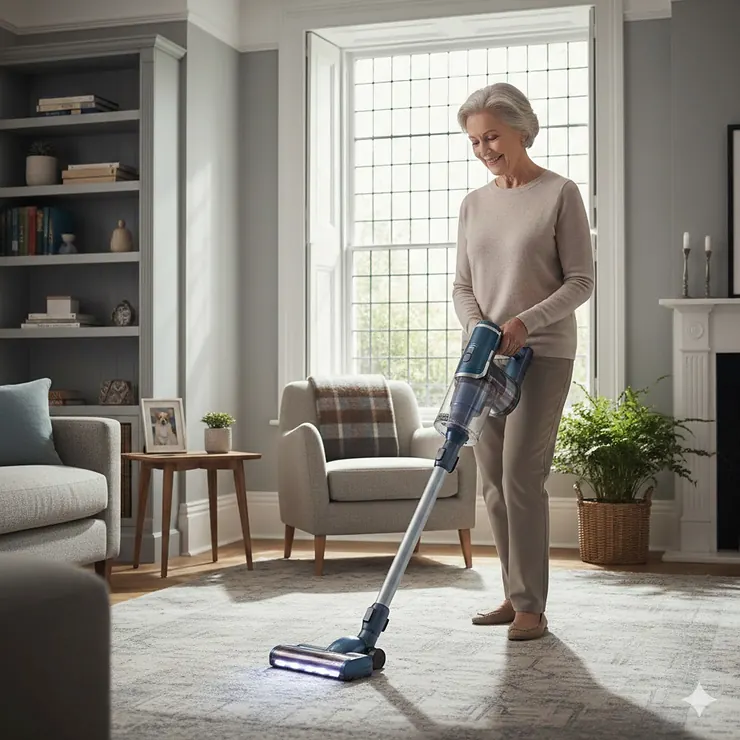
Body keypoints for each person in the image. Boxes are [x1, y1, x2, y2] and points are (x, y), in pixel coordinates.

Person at [452, 83, 594, 641]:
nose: (484, 148)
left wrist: (524, 322)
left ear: (522, 131)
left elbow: (581, 282)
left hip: (543, 352)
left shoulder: (560, 193)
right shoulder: (473, 204)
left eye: (492, 136)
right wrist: (478, 328)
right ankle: (514, 597)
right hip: (484, 355)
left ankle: (532, 604)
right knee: (490, 479)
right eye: (474, 140)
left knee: (519, 477)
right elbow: (463, 286)